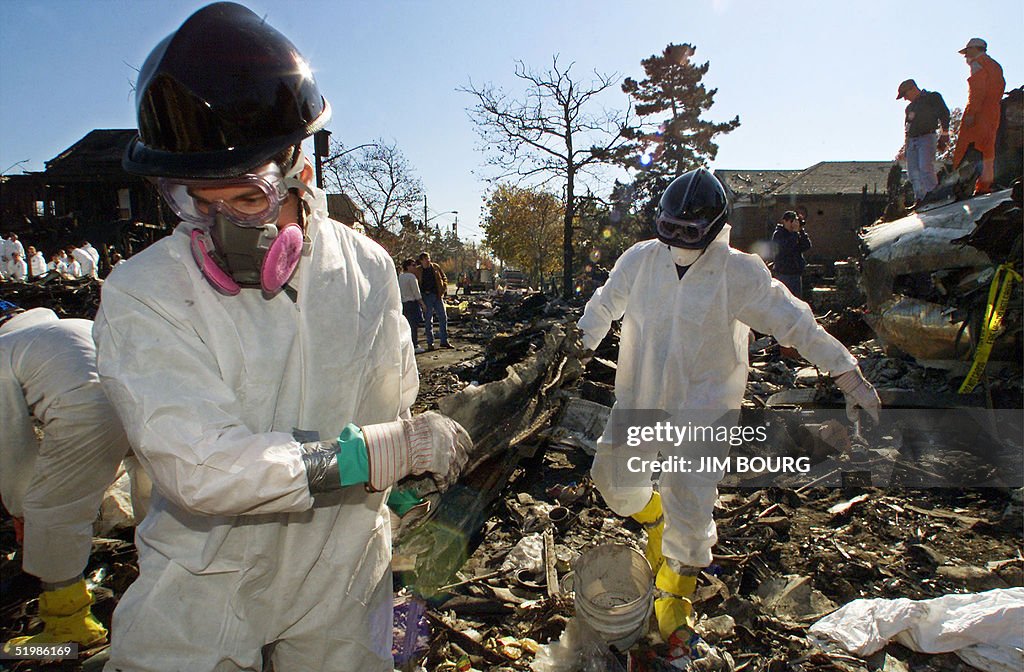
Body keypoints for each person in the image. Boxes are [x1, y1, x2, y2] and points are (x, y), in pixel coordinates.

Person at [92, 4, 471, 670]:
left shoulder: (366, 268)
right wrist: (369, 457)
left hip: (341, 565)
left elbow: (389, 401)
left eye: (246, 199)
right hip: (205, 578)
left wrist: (397, 477)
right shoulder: (143, 293)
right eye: (195, 203)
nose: (220, 229)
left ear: (302, 169)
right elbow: (201, 467)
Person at [577, 168, 880, 650]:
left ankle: (674, 605)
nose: (677, 240)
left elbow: (793, 320)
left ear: (715, 227)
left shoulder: (738, 272)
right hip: (639, 401)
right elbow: (601, 305)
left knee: (690, 507)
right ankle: (654, 519)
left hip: (703, 413)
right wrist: (574, 351)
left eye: (688, 233)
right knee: (614, 483)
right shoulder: (640, 260)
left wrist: (843, 368)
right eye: (670, 228)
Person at [0, 301, 132, 649]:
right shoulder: (68, 326)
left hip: (88, 408)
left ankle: (69, 627)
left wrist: (20, 509)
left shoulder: (3, 351)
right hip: (139, 398)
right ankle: (155, 585)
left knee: (52, 510)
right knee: (157, 493)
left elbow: (10, 443)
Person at [952, 38, 1005, 196]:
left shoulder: (978, 63)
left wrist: (973, 113)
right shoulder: (995, 65)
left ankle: (958, 186)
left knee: (966, 148)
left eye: (967, 52)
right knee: (987, 150)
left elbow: (977, 90)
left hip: (979, 112)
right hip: (993, 112)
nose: (965, 56)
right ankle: (984, 185)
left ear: (975, 49)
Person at [897, 79, 951, 205]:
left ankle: (932, 194)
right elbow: (907, 128)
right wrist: (906, 146)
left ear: (912, 89)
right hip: (912, 140)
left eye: (905, 95)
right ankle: (920, 198)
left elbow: (944, 114)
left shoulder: (932, 97)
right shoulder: (909, 108)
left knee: (925, 167)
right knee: (913, 171)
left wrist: (944, 134)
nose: (905, 99)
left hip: (927, 136)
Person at [770, 210, 811, 299]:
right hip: (784, 273)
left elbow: (806, 246)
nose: (793, 224)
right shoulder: (779, 234)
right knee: (785, 301)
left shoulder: (795, 234)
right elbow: (787, 248)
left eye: (795, 221)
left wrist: (801, 231)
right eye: (791, 221)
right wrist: (794, 233)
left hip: (795, 273)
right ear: (784, 221)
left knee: (796, 301)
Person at [418, 251, 452, 349]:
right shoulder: (418, 271)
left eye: (428, 258)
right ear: (421, 261)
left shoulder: (435, 267)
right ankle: (430, 342)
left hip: (437, 295)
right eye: (425, 259)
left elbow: (444, 277)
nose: (428, 261)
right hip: (426, 296)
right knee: (428, 320)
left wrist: (443, 287)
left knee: (443, 317)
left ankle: (444, 341)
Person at [399, 258, 427, 354]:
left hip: (403, 303)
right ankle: (414, 345)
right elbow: (416, 292)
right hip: (412, 303)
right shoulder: (411, 277)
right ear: (407, 266)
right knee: (413, 325)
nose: (415, 267)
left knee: (406, 325)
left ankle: (407, 345)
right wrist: (422, 303)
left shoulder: (400, 277)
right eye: (413, 265)